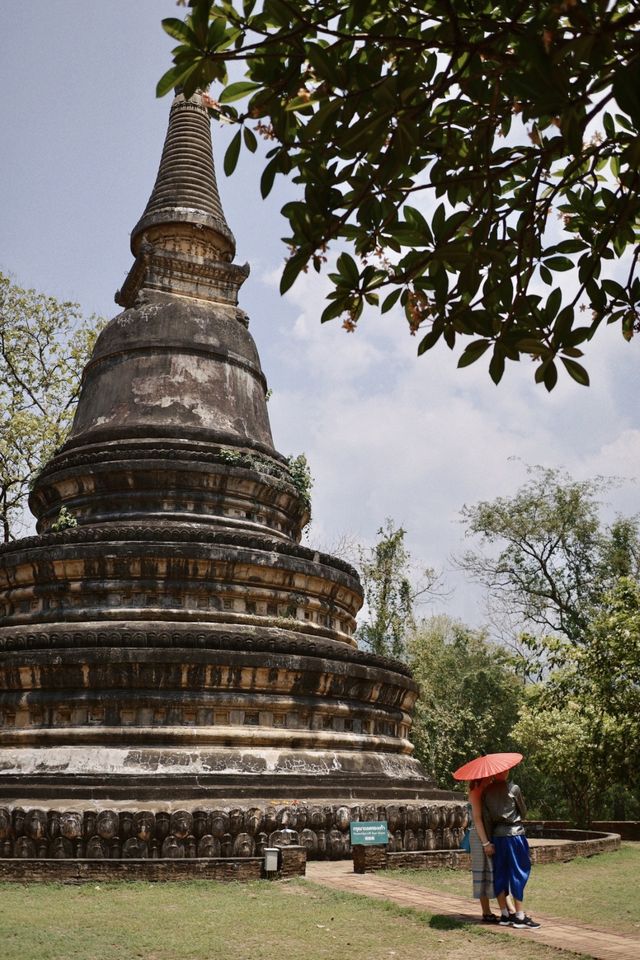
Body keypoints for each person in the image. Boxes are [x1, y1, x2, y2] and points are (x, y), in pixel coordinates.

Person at [482, 769, 541, 929]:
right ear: (505, 771)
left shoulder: (486, 792)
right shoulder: (513, 788)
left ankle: (505, 914)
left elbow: (486, 819)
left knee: (500, 873)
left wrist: (488, 841)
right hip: (515, 835)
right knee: (519, 871)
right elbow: (523, 811)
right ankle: (520, 916)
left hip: (497, 837)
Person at [467, 775, 503, 923]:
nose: (491, 779)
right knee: (481, 873)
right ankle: (486, 911)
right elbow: (477, 819)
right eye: (488, 778)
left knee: (495, 872)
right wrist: (485, 843)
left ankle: (507, 908)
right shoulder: (476, 792)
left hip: (489, 833)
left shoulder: (489, 791)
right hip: (479, 836)